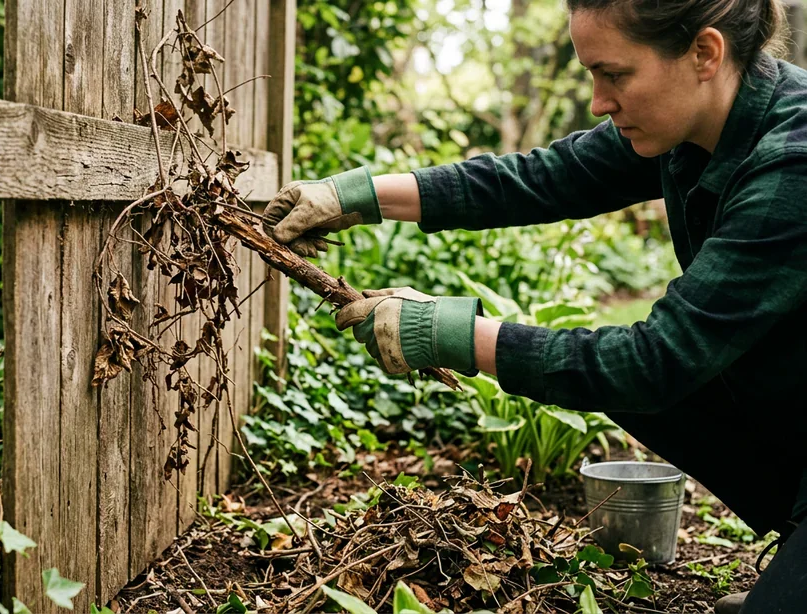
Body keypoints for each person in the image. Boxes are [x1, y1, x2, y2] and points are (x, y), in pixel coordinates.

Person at [263, 0, 807, 611]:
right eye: (592, 76)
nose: (600, 102)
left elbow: (655, 362)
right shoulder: (701, 117)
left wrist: (452, 334)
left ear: (704, 53)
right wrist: (357, 195)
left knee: (642, 374)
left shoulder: (793, 165)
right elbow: (543, 177)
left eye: (616, 75)